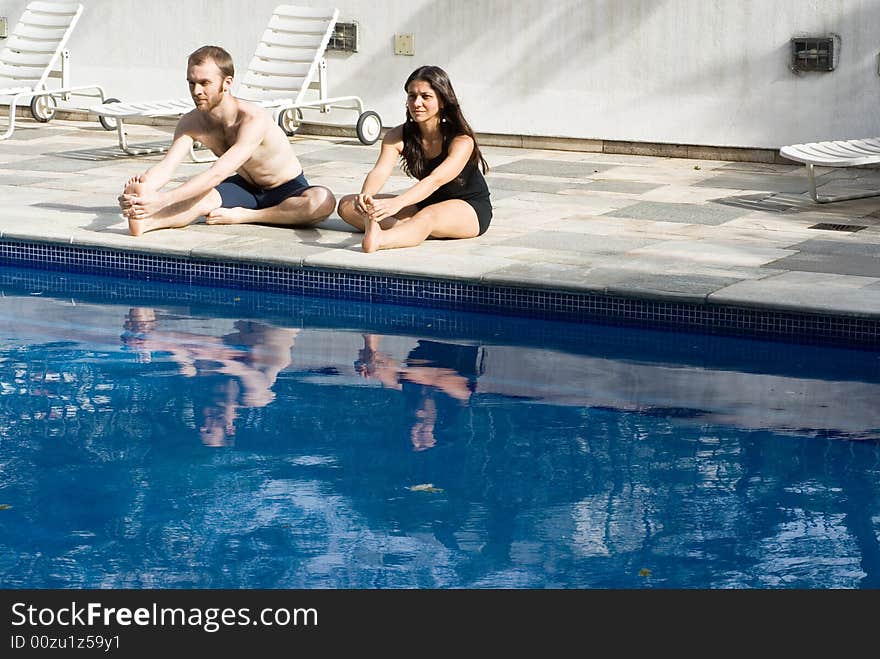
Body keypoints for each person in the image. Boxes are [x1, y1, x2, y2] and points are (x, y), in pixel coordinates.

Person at [117, 45, 335, 236]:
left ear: (227, 83)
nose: (196, 91)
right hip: (247, 188)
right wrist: (143, 195)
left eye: (204, 83)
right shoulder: (191, 122)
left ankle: (250, 216)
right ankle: (148, 222)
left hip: (287, 188)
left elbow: (218, 172)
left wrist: (164, 199)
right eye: (191, 83)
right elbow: (167, 167)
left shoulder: (253, 119)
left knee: (322, 201)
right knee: (202, 199)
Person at [337, 65, 492, 252]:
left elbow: (435, 180)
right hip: (424, 201)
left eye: (425, 97)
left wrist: (398, 203)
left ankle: (382, 239)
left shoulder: (461, 141)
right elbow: (380, 171)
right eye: (412, 96)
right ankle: (410, 231)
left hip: (468, 207)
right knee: (347, 205)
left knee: (427, 216)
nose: (417, 103)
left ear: (442, 101)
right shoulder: (397, 136)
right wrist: (366, 198)